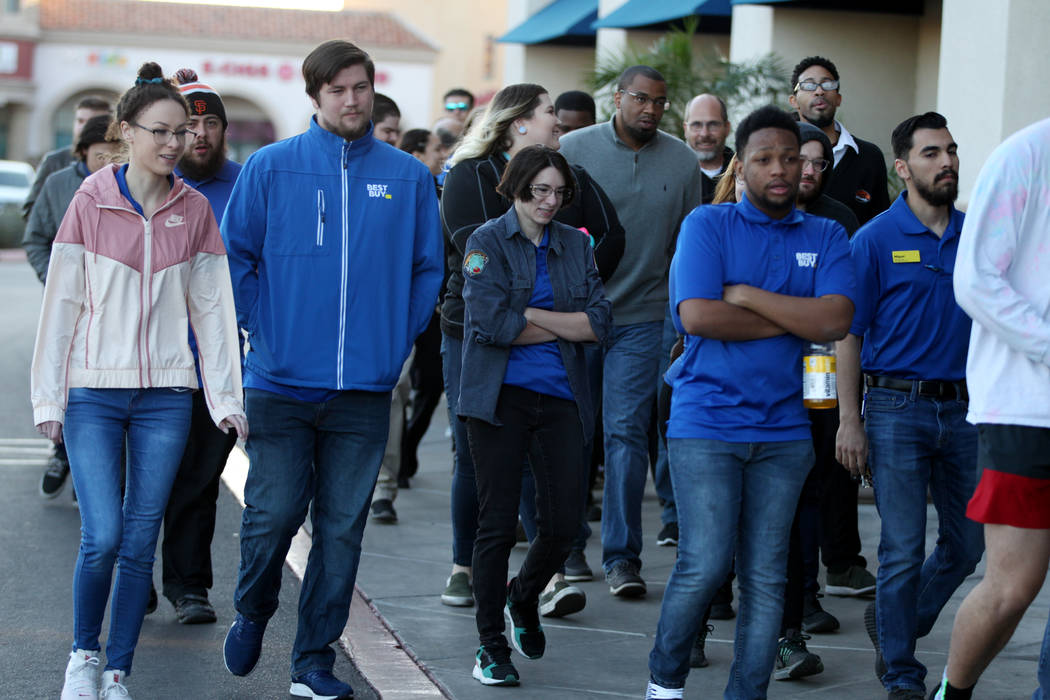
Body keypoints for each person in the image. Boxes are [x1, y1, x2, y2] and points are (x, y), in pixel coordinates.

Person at [220, 40, 443, 700]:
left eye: (362, 87)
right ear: (315, 96)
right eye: (339, 89)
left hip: (365, 392)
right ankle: (253, 607)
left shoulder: (405, 176)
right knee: (272, 516)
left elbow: (428, 267)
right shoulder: (271, 167)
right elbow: (234, 258)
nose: (353, 100)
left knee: (342, 533)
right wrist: (264, 326)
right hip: (281, 384)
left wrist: (396, 336)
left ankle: (313, 661)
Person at [32, 62, 245, 700]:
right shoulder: (89, 202)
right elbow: (62, 305)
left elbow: (214, 312)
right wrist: (50, 397)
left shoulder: (196, 210)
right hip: (94, 392)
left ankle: (118, 671)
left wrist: (226, 399)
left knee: (138, 540)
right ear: (128, 132)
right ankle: (81, 658)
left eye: (182, 131)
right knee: (101, 536)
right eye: (161, 131)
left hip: (166, 399)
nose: (175, 143)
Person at [646, 105, 855, 700]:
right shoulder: (706, 227)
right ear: (742, 166)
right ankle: (665, 683)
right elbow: (699, 315)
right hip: (706, 422)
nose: (781, 170)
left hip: (786, 432)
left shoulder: (827, 234)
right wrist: (793, 317)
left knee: (767, 577)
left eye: (790, 158)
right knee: (705, 565)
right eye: (764, 159)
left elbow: (838, 317)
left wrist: (750, 298)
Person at [438, 82, 624, 616]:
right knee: (479, 461)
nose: (558, 120)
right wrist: (567, 318)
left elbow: (609, 240)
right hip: (469, 331)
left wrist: (567, 305)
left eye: (555, 195)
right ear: (518, 120)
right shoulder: (470, 174)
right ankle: (464, 568)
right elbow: (483, 276)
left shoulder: (569, 179)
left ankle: (545, 577)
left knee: (550, 478)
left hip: (548, 358)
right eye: (548, 112)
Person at [835, 112, 984, 700]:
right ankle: (901, 672)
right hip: (896, 408)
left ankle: (897, 623)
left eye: (950, 151)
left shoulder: (976, 234)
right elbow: (849, 334)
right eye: (930, 153)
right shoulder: (872, 239)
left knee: (968, 544)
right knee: (900, 546)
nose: (946, 161)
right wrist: (851, 418)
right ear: (902, 168)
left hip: (967, 412)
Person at [459, 144, 610, 686]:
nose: (549, 202)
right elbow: (492, 326)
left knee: (564, 525)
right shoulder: (485, 242)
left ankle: (522, 598)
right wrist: (563, 321)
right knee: (496, 525)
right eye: (539, 190)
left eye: (558, 192)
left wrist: (530, 314)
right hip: (498, 399)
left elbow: (599, 322)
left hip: (564, 397)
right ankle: (490, 647)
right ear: (515, 188)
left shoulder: (575, 243)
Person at [559, 65, 701, 597]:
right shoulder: (574, 148)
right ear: (618, 98)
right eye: (640, 99)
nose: (650, 109)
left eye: (660, 102)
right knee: (573, 433)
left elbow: (688, 245)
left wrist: (680, 318)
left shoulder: (683, 161)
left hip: (642, 319)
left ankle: (622, 559)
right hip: (575, 318)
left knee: (625, 437)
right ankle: (568, 546)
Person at [930, 117, 1050, 700]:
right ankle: (953, 693)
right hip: (1027, 410)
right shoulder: (1026, 154)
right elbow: (975, 280)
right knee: (1012, 586)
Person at [153, 69, 244, 626]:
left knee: (197, 482)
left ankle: (189, 588)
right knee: (139, 481)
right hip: (147, 362)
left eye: (212, 122)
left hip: (217, 365)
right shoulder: (150, 184)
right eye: (191, 124)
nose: (201, 134)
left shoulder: (248, 184)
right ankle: (134, 575)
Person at [771, 122, 862, 683]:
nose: (807, 171)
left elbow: (840, 314)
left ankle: (802, 603)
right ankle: (710, 610)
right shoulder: (737, 213)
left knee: (811, 485)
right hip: (752, 377)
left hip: (820, 372)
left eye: (817, 163)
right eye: (797, 160)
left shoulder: (839, 221)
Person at [789, 55, 889, 226]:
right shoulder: (778, 154)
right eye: (809, 85)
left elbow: (881, 225)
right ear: (793, 101)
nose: (819, 91)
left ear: (838, 98)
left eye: (827, 84)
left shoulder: (869, 157)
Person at [22, 95, 111, 220]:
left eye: (92, 122)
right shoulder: (54, 162)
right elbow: (31, 210)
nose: (83, 127)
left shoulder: (118, 164)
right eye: (80, 121)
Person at [683, 93, 733, 204]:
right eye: (697, 125)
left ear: (727, 128)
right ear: (685, 129)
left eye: (713, 124)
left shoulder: (743, 173)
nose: (704, 134)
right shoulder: (671, 174)